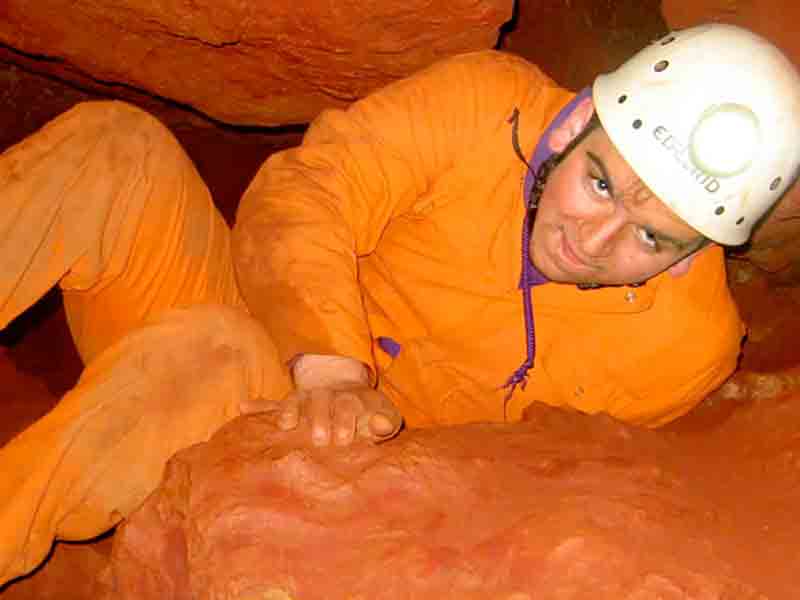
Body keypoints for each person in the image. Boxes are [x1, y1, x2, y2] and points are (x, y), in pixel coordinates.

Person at [0, 23, 798, 586]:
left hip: (326, 451)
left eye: (652, 239)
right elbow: (308, 189)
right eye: (600, 185)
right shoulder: (486, 104)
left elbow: (554, 476)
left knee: (210, 354)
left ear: (702, 250)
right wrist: (329, 364)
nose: (594, 240)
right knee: (115, 150)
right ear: (579, 121)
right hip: (281, 329)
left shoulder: (684, 350)